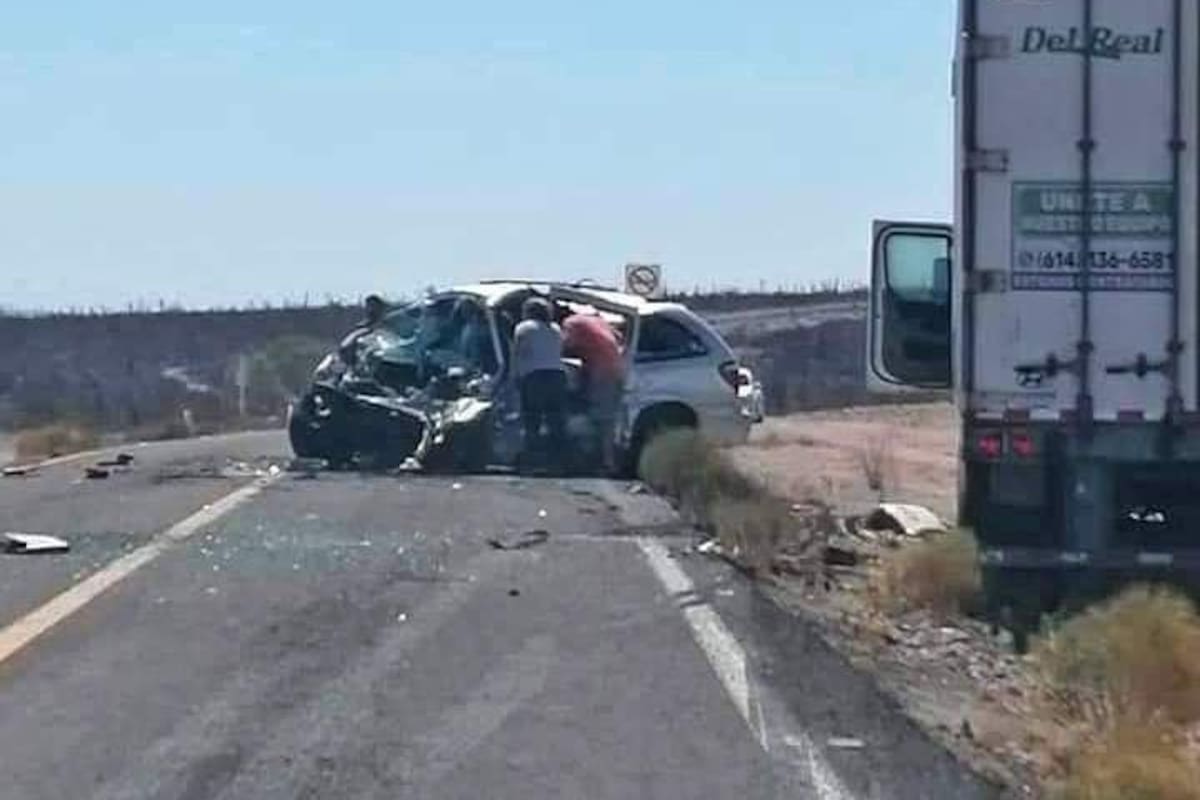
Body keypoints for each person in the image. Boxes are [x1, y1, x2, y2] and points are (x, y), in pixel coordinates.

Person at [562, 311, 625, 473]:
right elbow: (619, 339)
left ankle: (604, 462)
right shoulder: (599, 322)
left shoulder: (571, 323)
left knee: (601, 419)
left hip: (601, 373)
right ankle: (606, 459)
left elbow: (562, 347)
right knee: (608, 419)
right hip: (615, 371)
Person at [513, 297, 566, 470]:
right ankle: (559, 461)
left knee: (532, 420)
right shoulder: (556, 329)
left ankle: (532, 461)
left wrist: (516, 376)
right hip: (557, 375)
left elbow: (518, 353)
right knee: (555, 420)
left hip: (534, 375)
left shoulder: (524, 328)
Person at [338, 294, 388, 368]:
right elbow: (346, 346)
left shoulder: (389, 324)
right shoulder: (361, 328)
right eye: (370, 306)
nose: (371, 310)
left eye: (374, 307)